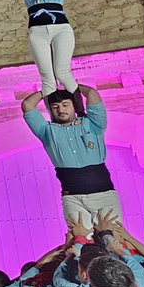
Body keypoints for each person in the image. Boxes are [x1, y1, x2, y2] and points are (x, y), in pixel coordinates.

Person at [20, 84, 120, 231]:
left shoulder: (92, 124)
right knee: (81, 241)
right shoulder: (47, 131)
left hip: (103, 195)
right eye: (55, 107)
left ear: (74, 105)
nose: (61, 110)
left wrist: (72, 85)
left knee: (114, 237)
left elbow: (92, 93)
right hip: (72, 197)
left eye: (65, 105)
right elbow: (27, 105)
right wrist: (46, 90)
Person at [3, 0, 81, 114]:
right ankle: (55, 117)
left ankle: (80, 112)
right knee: (47, 78)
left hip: (60, 29)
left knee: (62, 72)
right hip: (37, 33)